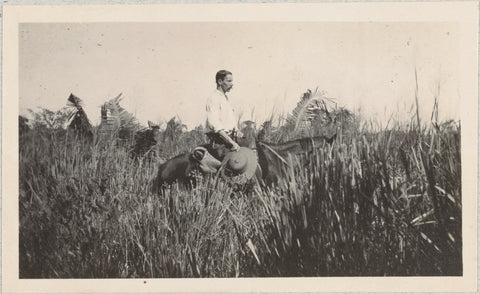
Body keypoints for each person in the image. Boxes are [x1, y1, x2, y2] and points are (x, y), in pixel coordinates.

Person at [205, 70, 240, 151]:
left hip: (229, 140)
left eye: (232, 81)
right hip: (220, 143)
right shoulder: (213, 98)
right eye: (229, 81)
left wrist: (237, 131)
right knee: (238, 161)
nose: (232, 84)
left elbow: (230, 121)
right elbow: (215, 125)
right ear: (220, 81)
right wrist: (231, 142)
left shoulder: (225, 98)